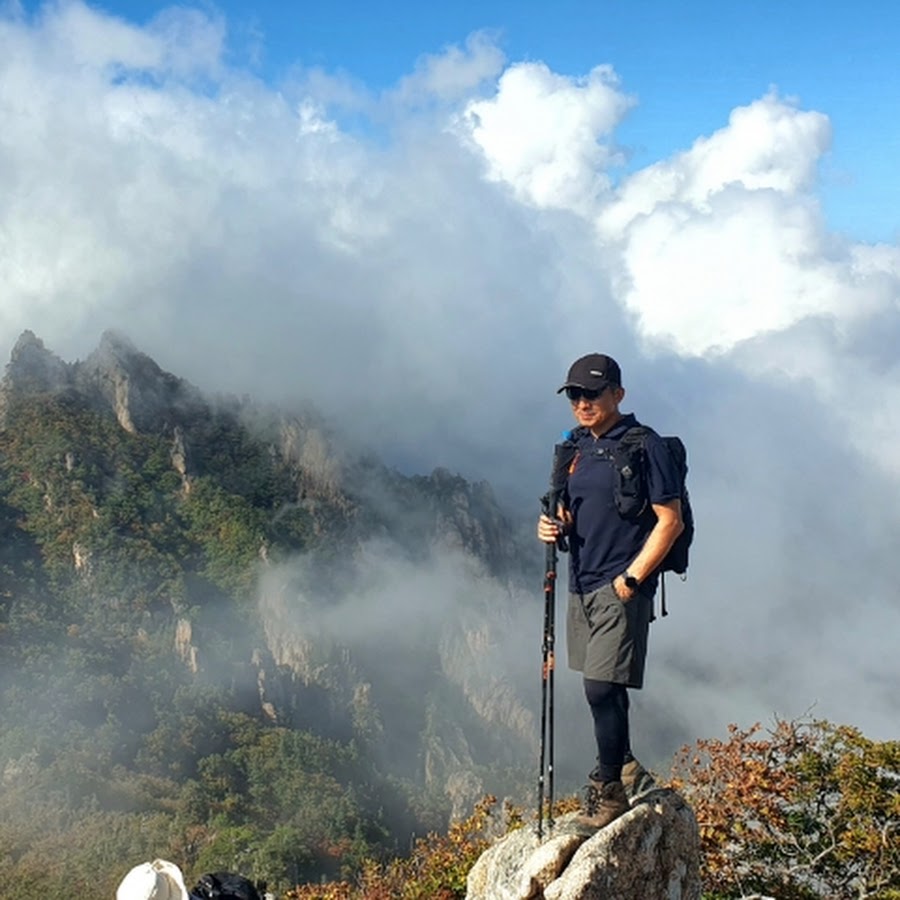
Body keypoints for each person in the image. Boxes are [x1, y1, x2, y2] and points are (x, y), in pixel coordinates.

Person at [537, 353, 684, 829]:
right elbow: (570, 511)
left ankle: (609, 791)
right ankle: (627, 768)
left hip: (621, 585)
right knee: (606, 688)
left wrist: (632, 580)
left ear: (618, 394)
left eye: (592, 394)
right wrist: (552, 526)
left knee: (599, 686)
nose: (582, 403)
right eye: (574, 395)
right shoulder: (575, 447)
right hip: (581, 582)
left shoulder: (645, 445)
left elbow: (671, 522)